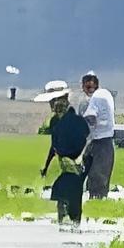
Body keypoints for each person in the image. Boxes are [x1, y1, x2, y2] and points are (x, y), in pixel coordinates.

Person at [41, 86, 92, 224]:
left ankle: (69, 224)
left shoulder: (75, 122)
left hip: (75, 166)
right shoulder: (57, 122)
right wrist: (46, 166)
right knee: (67, 196)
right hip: (69, 166)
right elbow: (55, 146)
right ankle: (68, 224)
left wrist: (79, 159)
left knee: (67, 195)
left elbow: (86, 141)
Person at [76, 72, 117, 200]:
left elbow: (90, 118)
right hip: (95, 142)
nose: (90, 90)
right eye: (88, 88)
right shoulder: (101, 98)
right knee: (96, 177)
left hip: (99, 142)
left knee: (97, 176)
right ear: (83, 87)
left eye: (92, 88)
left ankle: (93, 201)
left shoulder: (94, 100)